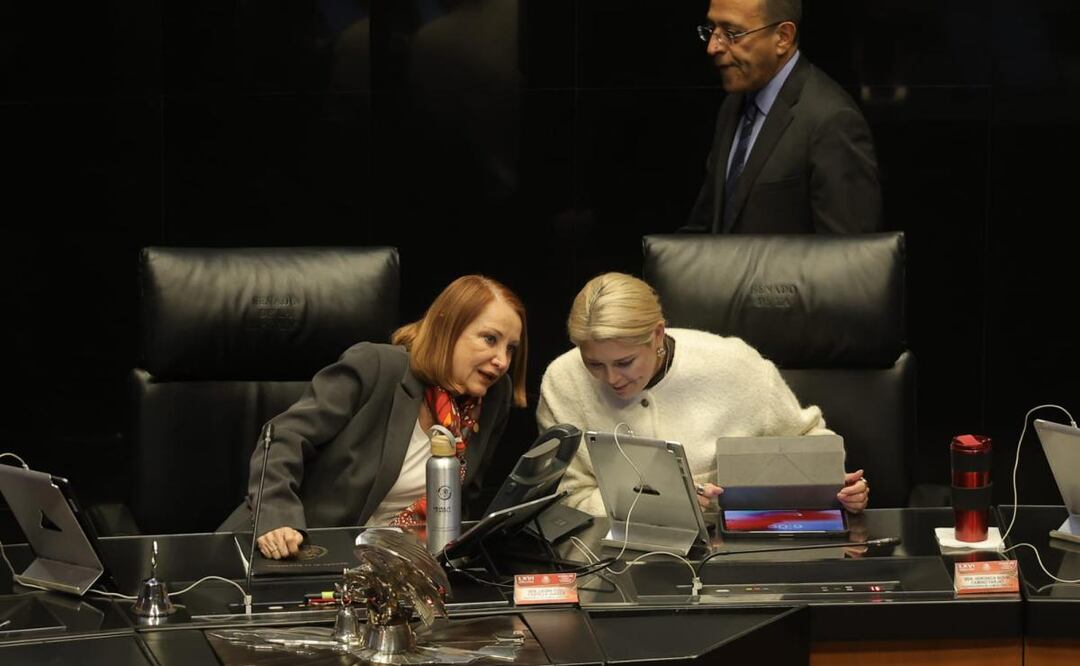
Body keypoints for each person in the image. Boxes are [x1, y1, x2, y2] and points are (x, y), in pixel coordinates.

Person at [219, 275, 528, 560]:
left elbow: (463, 500)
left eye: (511, 349)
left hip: (390, 566)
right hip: (290, 553)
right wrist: (278, 518)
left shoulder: (492, 398)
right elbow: (282, 438)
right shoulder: (377, 367)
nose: (502, 361)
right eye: (490, 339)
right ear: (448, 330)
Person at [536, 272, 868, 516]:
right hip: (611, 553)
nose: (611, 379)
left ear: (657, 334)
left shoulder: (734, 364)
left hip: (734, 548)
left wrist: (828, 482)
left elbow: (807, 437)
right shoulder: (563, 380)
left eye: (625, 362)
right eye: (593, 363)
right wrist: (659, 503)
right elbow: (563, 498)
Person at [682, 0, 882, 234]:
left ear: (783, 37)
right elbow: (706, 228)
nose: (713, 47)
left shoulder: (831, 121)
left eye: (732, 33)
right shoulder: (734, 104)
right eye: (712, 29)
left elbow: (848, 259)